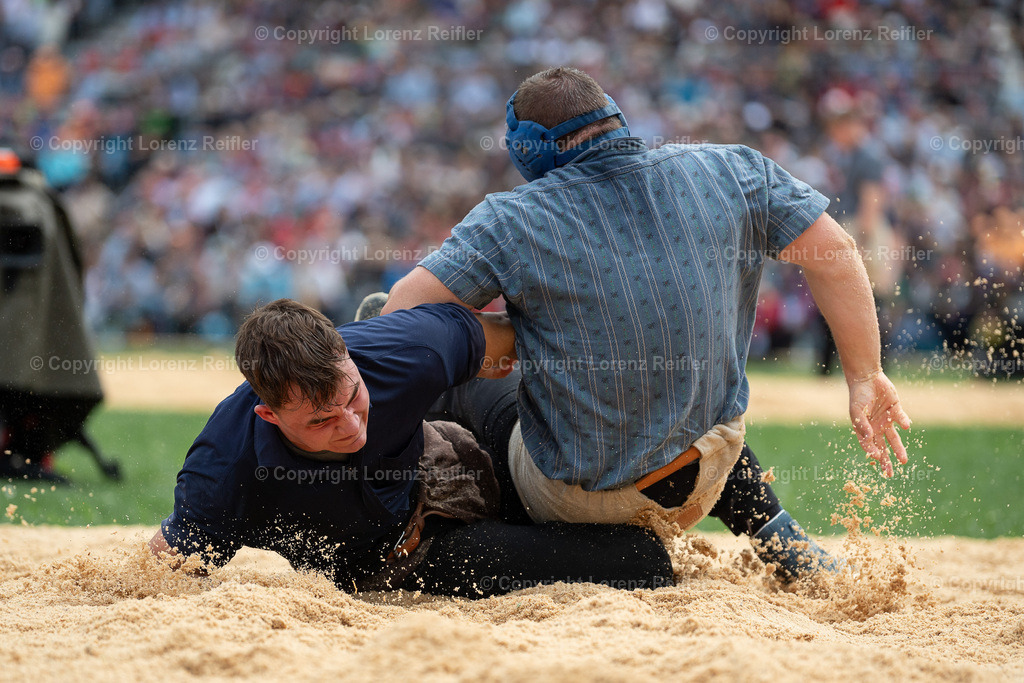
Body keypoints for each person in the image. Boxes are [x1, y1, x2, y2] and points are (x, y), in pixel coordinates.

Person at [382, 66, 913, 581]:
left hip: (578, 502)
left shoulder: (511, 218)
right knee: (686, 396)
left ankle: (404, 521)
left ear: (527, 148)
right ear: (616, 119)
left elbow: (398, 317)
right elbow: (836, 252)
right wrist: (865, 375)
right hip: (712, 468)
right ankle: (779, 535)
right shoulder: (733, 169)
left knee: (473, 376)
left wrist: (510, 339)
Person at [148, 298, 673, 597]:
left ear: (349, 354)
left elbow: (525, 337)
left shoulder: (402, 350)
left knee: (533, 417)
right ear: (269, 415)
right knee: (640, 562)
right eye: (321, 421)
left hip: (440, 450)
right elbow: (167, 568)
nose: (350, 426)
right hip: (397, 556)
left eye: (352, 397)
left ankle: (753, 512)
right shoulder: (224, 465)